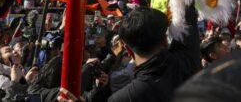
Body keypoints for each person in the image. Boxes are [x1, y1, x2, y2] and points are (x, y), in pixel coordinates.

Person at [63, 6, 199, 102]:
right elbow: (187, 14)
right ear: (165, 39)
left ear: (128, 50)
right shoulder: (187, 59)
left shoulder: (125, 97)